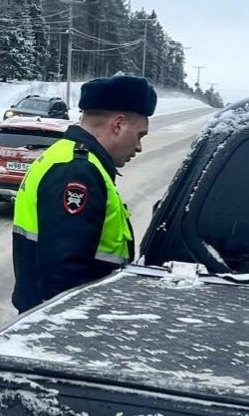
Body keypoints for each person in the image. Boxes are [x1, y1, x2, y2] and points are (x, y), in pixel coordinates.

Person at [11, 75, 157, 313]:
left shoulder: (67, 155)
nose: (139, 147)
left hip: (44, 317)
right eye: (139, 135)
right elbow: (63, 278)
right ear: (118, 125)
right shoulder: (78, 171)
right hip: (62, 326)